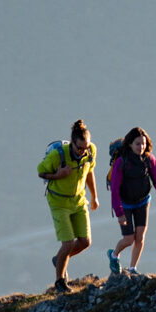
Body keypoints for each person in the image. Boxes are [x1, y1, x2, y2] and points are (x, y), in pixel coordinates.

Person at [105, 126, 156, 277]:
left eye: (143, 143)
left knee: (140, 237)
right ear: (130, 144)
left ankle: (132, 268)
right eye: (138, 143)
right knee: (129, 239)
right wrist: (119, 213)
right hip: (125, 204)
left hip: (143, 202)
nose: (141, 147)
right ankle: (114, 255)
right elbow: (115, 189)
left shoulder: (149, 159)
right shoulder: (121, 162)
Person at [37, 119, 99, 292]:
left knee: (85, 241)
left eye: (85, 147)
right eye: (79, 147)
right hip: (59, 203)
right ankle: (60, 282)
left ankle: (59, 260)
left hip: (78, 201)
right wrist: (59, 174)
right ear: (72, 142)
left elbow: (89, 172)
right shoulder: (58, 155)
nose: (83, 151)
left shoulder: (90, 151)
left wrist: (94, 196)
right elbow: (41, 171)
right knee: (68, 244)